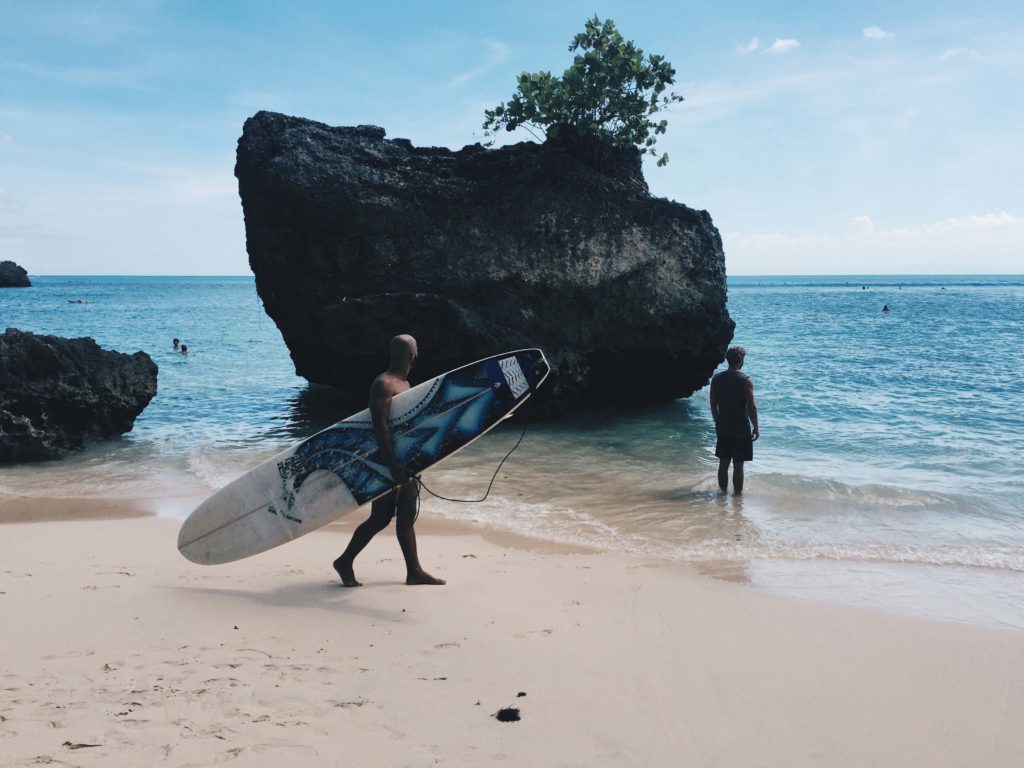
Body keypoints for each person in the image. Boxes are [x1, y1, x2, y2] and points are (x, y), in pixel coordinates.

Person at [333, 334, 446, 587]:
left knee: (393, 516)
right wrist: (393, 465)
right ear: (412, 356)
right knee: (386, 517)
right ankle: (347, 562)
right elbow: (380, 427)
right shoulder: (384, 384)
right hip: (387, 462)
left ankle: (412, 571)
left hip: (404, 461)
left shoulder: (405, 385)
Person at [709, 346, 760, 494]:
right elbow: (751, 407)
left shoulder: (716, 379)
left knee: (723, 463)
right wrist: (756, 427)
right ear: (741, 361)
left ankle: (722, 495)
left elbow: (713, 405)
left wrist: (717, 422)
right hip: (741, 429)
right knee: (738, 465)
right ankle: (737, 499)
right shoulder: (746, 381)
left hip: (723, 426)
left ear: (727, 360)